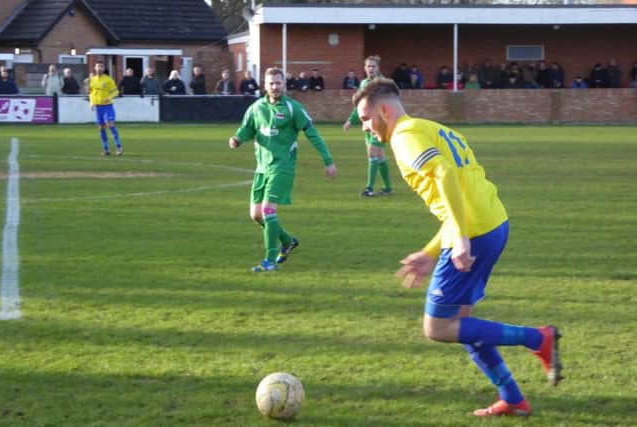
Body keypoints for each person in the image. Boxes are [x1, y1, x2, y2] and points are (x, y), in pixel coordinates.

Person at [352, 77, 562, 417]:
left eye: (365, 117)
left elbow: (446, 175)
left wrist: (461, 238)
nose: (365, 126)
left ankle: (538, 339)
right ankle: (512, 397)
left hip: (474, 232)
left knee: (437, 327)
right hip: (492, 224)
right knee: (462, 323)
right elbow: (453, 195)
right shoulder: (430, 128)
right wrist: (431, 252)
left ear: (385, 110)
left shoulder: (404, 137)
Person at [229, 67, 337, 272]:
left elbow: (312, 133)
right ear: (265, 85)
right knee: (256, 215)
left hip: (282, 167)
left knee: (269, 211)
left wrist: (328, 160)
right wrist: (237, 139)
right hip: (262, 168)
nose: (275, 86)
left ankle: (269, 261)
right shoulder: (256, 108)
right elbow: (246, 130)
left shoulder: (292, 108)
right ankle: (287, 241)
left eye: (278, 83)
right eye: (271, 83)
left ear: (284, 85)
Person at [342, 55, 393, 197]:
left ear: (378, 68)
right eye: (368, 66)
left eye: (373, 66)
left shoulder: (383, 84)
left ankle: (369, 188)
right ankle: (388, 188)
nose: (371, 68)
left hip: (380, 123)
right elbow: (360, 104)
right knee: (380, 155)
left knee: (372, 153)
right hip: (367, 123)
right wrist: (350, 120)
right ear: (365, 68)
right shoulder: (364, 83)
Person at [89, 61, 123, 156]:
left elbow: (115, 92)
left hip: (108, 106)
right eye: (98, 66)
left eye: (101, 66)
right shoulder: (92, 80)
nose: (99, 68)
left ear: (103, 69)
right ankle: (106, 149)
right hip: (98, 107)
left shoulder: (108, 80)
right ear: (95, 68)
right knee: (101, 128)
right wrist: (91, 103)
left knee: (110, 124)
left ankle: (119, 147)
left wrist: (109, 98)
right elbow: (91, 92)